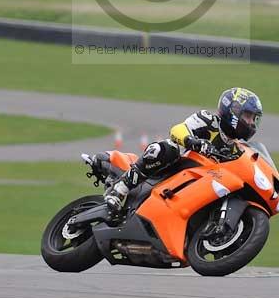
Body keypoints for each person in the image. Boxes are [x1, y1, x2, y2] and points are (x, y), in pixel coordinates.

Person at [98, 87, 263, 214]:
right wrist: (194, 142)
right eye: (248, 116)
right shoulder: (208, 120)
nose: (251, 123)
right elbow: (178, 130)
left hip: (198, 185)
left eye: (254, 119)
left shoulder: (236, 149)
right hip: (175, 170)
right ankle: (121, 188)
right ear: (232, 111)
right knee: (168, 148)